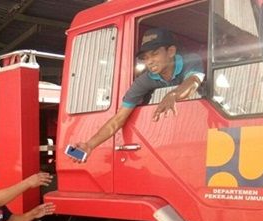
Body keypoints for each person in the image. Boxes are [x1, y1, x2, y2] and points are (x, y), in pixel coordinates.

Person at [69, 28, 205, 162]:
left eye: (155, 54)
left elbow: (194, 81)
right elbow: (118, 119)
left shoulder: (191, 60)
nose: (150, 61)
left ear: (171, 51)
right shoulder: (144, 80)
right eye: (146, 58)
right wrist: (89, 145)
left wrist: (173, 94)